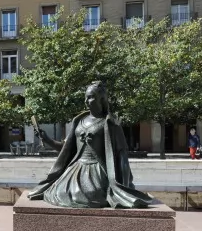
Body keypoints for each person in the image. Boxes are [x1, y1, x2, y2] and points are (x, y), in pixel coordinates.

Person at [29, 81, 152, 209]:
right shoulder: (78, 120)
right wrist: (47, 139)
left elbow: (122, 156)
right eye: (85, 97)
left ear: (102, 99)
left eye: (90, 97)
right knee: (59, 192)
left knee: (89, 196)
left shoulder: (110, 123)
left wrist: (123, 187)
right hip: (75, 170)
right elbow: (66, 150)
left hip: (98, 172)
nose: (86, 101)